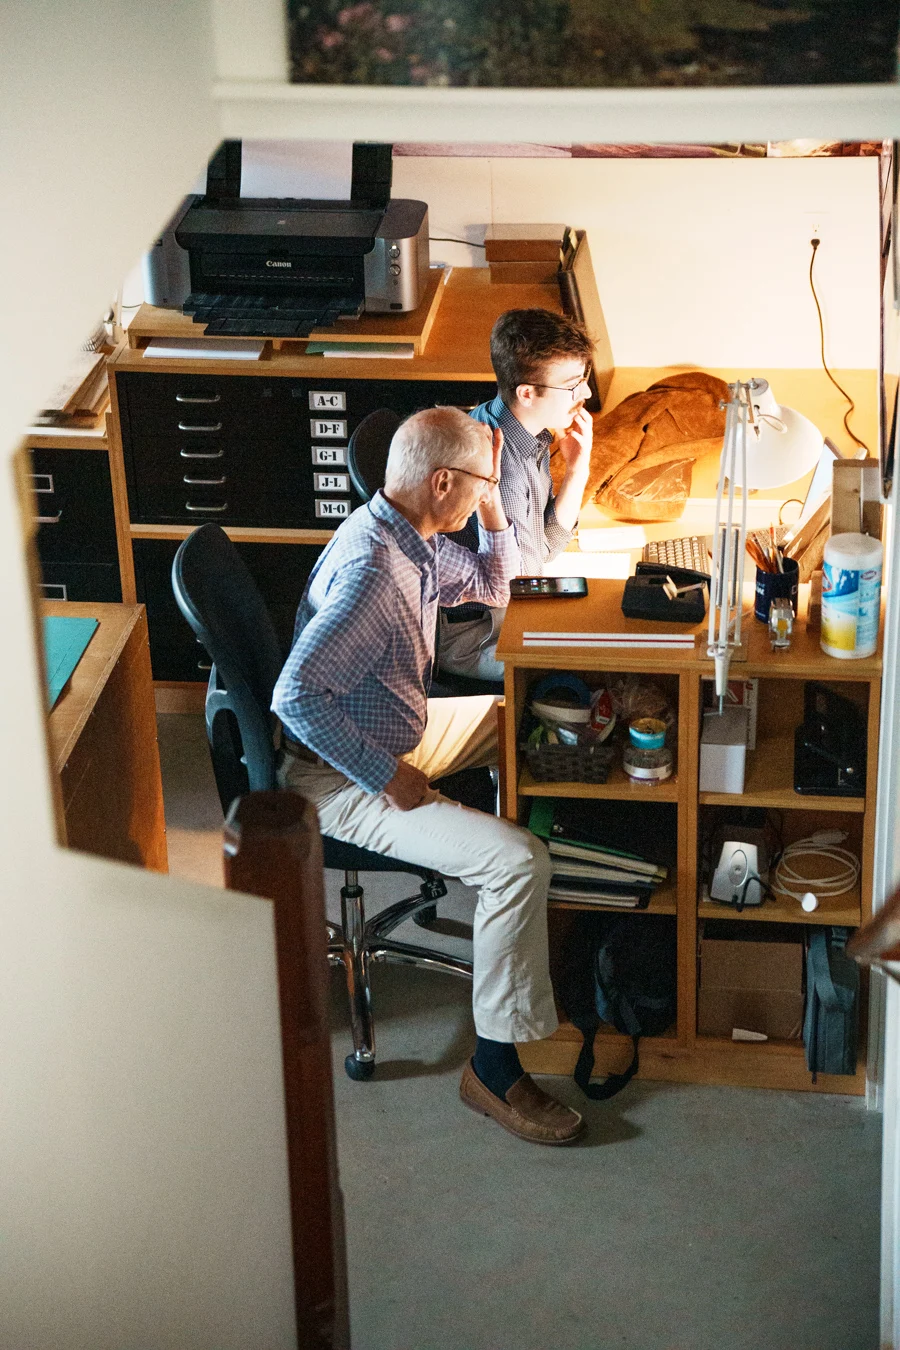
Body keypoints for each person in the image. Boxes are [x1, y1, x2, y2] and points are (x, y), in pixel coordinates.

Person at [272, 405, 584, 1145]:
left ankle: (532, 945)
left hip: (396, 731)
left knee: (524, 727)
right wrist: (387, 776)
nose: (487, 496)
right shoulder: (375, 573)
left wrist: (500, 514)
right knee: (517, 862)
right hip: (341, 776)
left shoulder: (406, 534)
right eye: (481, 486)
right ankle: (495, 1069)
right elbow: (294, 696)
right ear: (443, 483)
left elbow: (495, 582)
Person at [438, 307, 595, 681]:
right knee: (599, 661)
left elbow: (544, 547)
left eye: (585, 377)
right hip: (476, 635)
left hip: (509, 602)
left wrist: (577, 469)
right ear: (527, 392)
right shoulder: (500, 465)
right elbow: (525, 584)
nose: (585, 392)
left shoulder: (522, 430)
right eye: (573, 384)